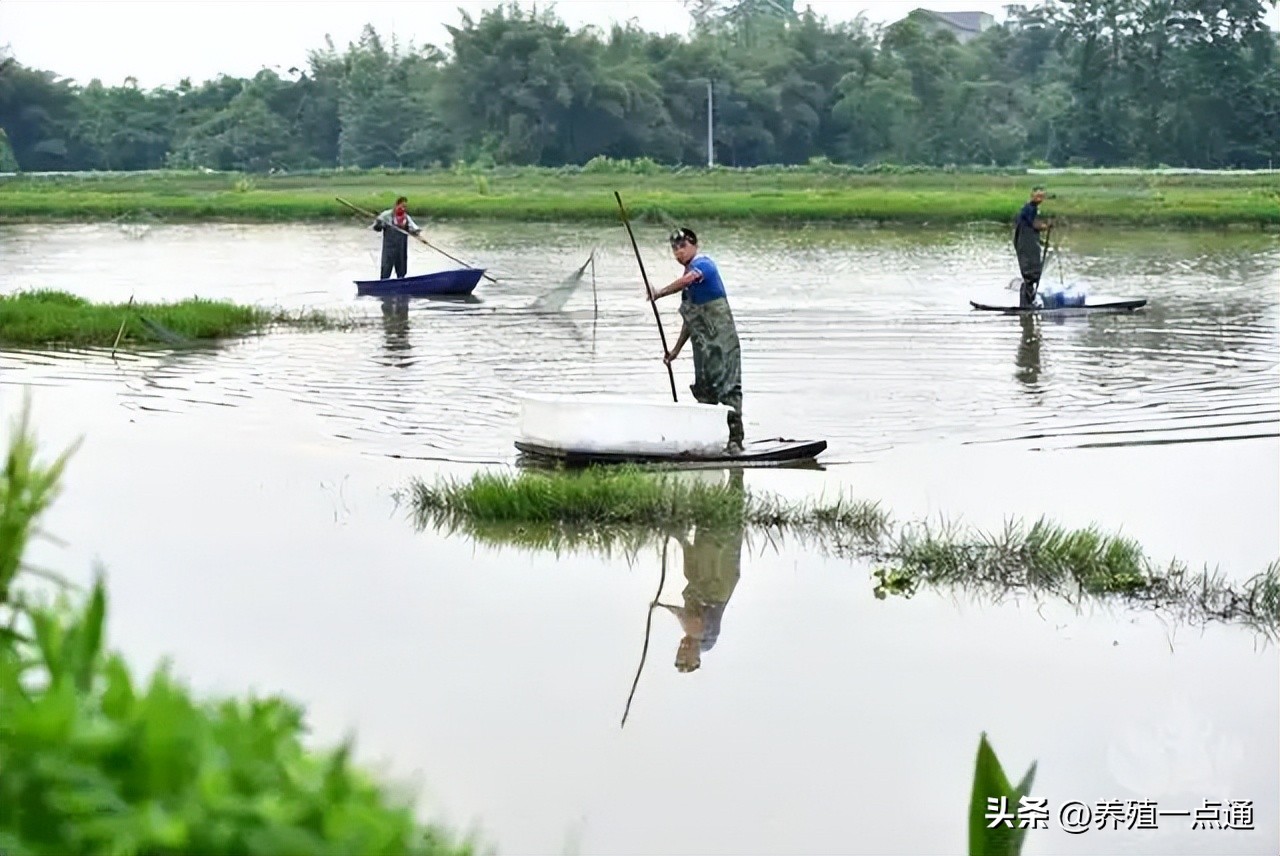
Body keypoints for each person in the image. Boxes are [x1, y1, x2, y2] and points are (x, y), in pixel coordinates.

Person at [650, 226, 744, 453]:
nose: (678, 252)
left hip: (723, 344)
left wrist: (659, 293)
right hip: (703, 347)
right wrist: (675, 351)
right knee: (705, 391)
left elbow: (689, 279)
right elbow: (690, 322)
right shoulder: (688, 286)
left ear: (694, 245)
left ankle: (735, 441)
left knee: (728, 389)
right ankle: (709, 441)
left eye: (683, 246)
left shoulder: (704, 265)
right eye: (674, 249)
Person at [1013, 187, 1052, 308]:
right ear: (1032, 196)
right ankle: (1026, 305)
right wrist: (1046, 226)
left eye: (1042, 197)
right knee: (1030, 271)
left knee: (1032, 272)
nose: (1040, 199)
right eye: (1038, 196)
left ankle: (1029, 303)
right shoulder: (1029, 209)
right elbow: (1033, 225)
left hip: (1027, 242)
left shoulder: (1032, 209)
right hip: (1025, 244)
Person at [371, 196, 422, 279]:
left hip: (401, 249)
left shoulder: (406, 218)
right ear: (396, 205)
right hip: (389, 248)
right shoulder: (386, 216)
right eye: (401, 206)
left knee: (401, 271)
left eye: (405, 207)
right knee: (386, 270)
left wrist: (420, 237)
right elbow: (376, 228)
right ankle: (384, 285)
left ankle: (400, 284)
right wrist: (379, 223)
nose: (403, 209)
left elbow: (415, 229)